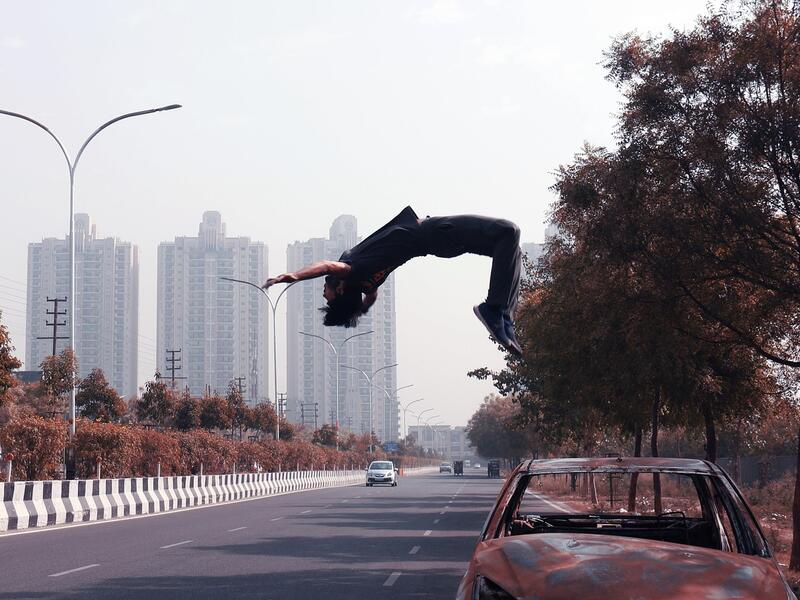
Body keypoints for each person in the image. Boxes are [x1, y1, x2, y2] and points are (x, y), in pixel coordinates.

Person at [263, 206, 523, 355]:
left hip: (438, 244)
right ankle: (493, 308)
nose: (324, 289)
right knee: (509, 231)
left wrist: (359, 309)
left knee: (511, 248)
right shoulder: (353, 271)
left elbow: (371, 297)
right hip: (436, 233)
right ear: (341, 286)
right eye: (327, 290)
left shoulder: (368, 284)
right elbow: (326, 266)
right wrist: (294, 276)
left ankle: (504, 315)